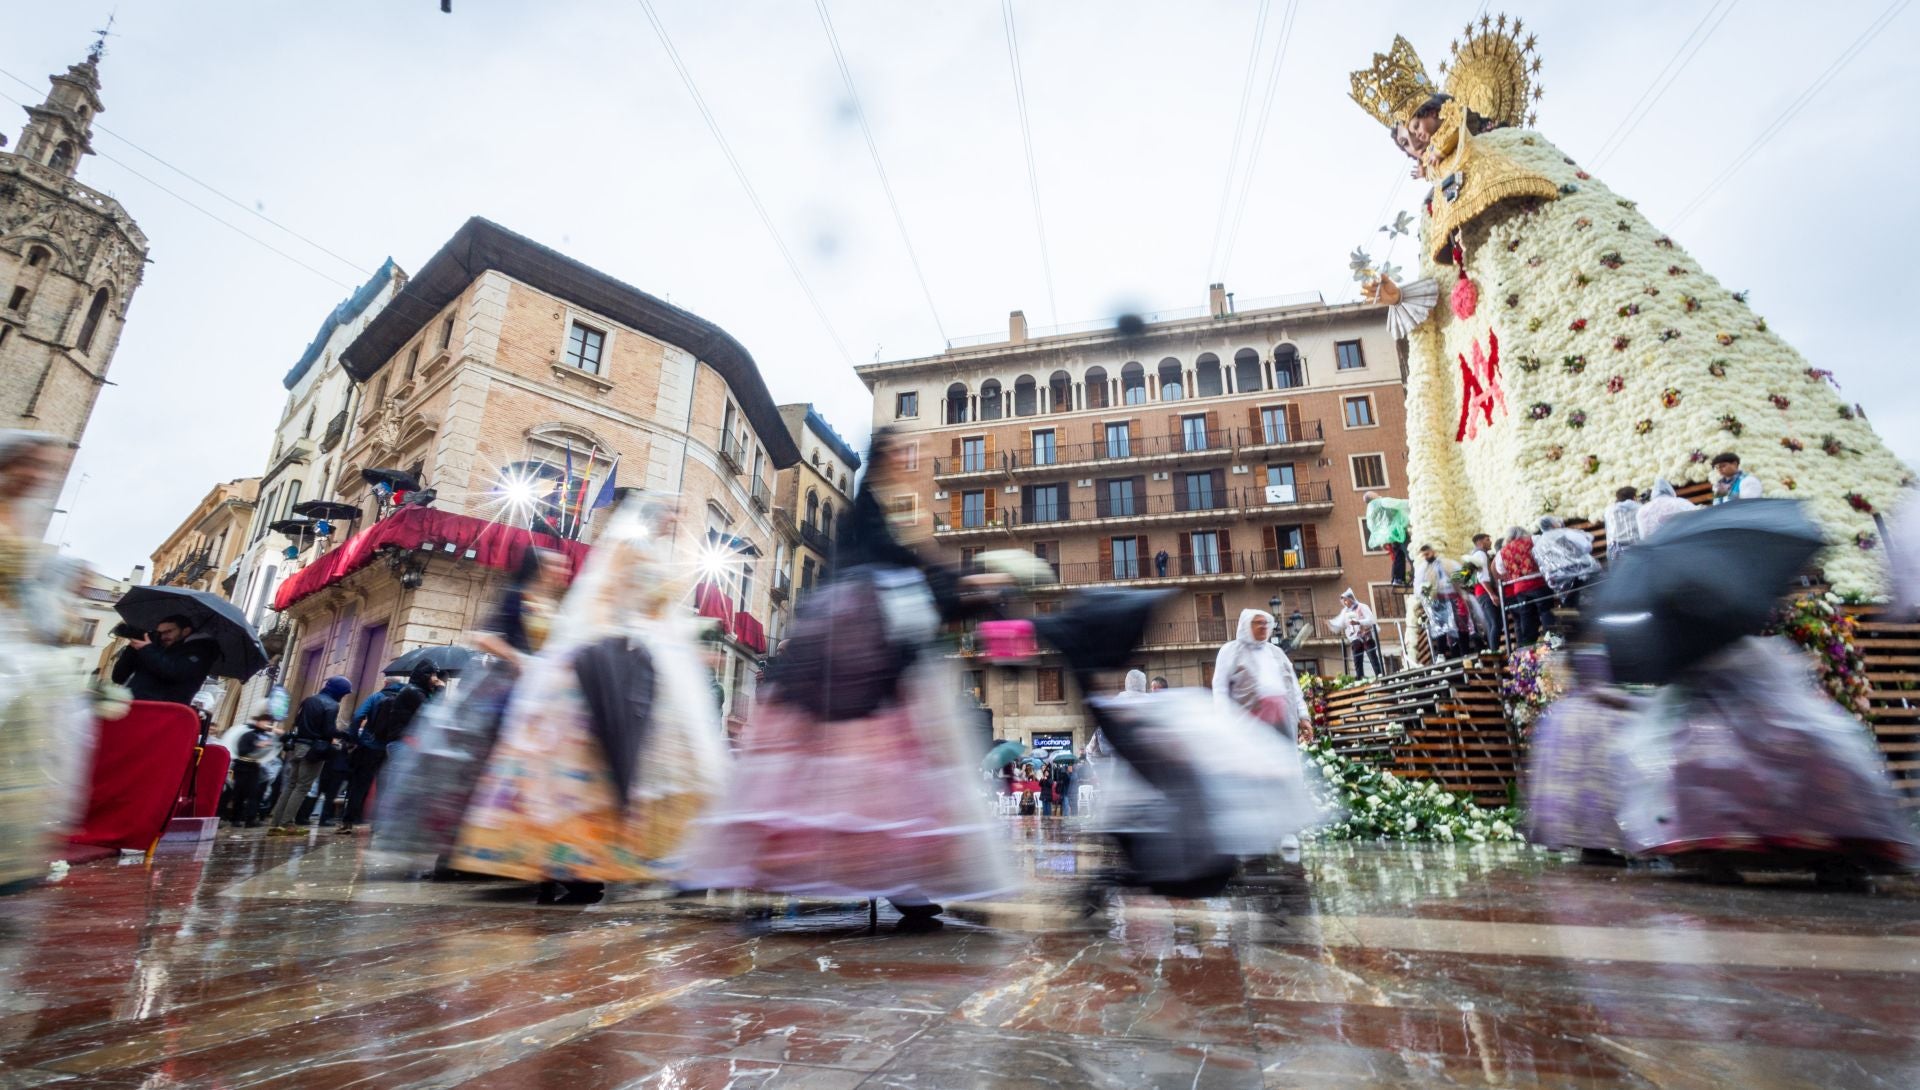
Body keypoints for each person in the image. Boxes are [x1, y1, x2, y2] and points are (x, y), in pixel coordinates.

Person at [685, 429, 1015, 925]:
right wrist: (958, 578)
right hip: (856, 648)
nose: (915, 461)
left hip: (871, 646)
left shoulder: (881, 510)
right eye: (909, 453)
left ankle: (901, 882)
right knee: (860, 766)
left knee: (890, 770)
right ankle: (804, 873)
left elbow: (907, 565)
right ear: (888, 456)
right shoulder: (864, 512)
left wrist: (947, 574)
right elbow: (895, 562)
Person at [453, 499, 731, 905]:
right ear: (654, 514)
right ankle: (580, 856)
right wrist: (613, 648)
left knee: (663, 759)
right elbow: (605, 599)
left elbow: (657, 614)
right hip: (622, 654)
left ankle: (673, 856)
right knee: (602, 759)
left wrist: (688, 650)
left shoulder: (650, 551)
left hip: (650, 656)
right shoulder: (629, 545)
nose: (677, 519)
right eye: (673, 512)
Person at [0, 432, 93, 893]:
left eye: (46, 469)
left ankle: (9, 864)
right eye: (31, 465)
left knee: (23, 757)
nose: (39, 477)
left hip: (14, 647)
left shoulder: (20, 520)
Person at [339, 664, 441, 834]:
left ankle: (348, 821)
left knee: (360, 784)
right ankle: (377, 824)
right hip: (396, 743)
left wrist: (354, 739)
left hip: (371, 745)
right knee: (385, 785)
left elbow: (358, 716)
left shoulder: (376, 697)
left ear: (386, 683)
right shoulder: (413, 694)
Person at [265, 676, 352, 835]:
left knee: (291, 785)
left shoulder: (309, 700)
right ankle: (286, 824)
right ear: (339, 691)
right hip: (313, 750)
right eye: (344, 693)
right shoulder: (332, 705)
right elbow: (328, 731)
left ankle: (275, 823)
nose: (344, 696)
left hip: (298, 745)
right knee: (302, 787)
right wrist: (345, 734)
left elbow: (297, 722)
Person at [1214, 609, 1309, 737]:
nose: (1263, 626)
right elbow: (1221, 688)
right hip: (1249, 724)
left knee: (1283, 755)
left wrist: (1303, 716)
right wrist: (1224, 720)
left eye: (1265, 623)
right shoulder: (1230, 651)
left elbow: (1293, 687)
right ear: (1246, 625)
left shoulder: (1277, 653)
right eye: (1258, 623)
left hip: (1283, 720)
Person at [109, 613, 219, 706]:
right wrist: (132, 649)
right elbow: (119, 677)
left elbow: (174, 671)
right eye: (160, 633)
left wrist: (147, 649)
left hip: (164, 713)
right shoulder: (156, 649)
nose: (163, 637)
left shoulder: (201, 650)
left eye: (169, 631)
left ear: (186, 631)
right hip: (135, 706)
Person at [1497, 527, 1554, 646]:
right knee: (1546, 612)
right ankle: (1553, 641)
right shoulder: (1534, 540)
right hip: (1538, 583)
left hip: (1520, 588)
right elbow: (1545, 554)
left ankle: (1529, 646)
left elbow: (1500, 569)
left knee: (1527, 617)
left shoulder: (1502, 552)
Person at [1532, 517, 1601, 611]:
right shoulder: (1563, 533)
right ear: (1553, 524)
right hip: (1578, 570)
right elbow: (1586, 546)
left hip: (1557, 576)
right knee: (1595, 591)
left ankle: (1575, 620)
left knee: (1570, 600)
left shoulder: (1538, 544)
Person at [227, 709, 280, 828]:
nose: (268, 725)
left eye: (270, 723)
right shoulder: (248, 734)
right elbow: (242, 751)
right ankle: (236, 819)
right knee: (239, 793)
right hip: (242, 766)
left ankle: (250, 819)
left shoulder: (266, 736)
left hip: (255, 766)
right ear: (258, 722)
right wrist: (257, 745)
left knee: (254, 794)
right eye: (266, 722)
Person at [1326, 590, 1386, 678]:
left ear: (1351, 599)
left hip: (1366, 635)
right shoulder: (1345, 612)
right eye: (1343, 601)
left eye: (1346, 600)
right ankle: (1360, 678)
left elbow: (1371, 620)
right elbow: (1340, 624)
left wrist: (1358, 622)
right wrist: (1330, 624)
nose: (1345, 603)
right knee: (1357, 660)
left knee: (1372, 658)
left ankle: (1379, 675)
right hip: (1355, 639)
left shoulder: (1362, 607)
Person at [1363, 491, 1413, 586]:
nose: (1378, 494)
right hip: (1399, 531)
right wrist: (1414, 501)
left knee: (1398, 555)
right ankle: (1416, 575)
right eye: (1375, 494)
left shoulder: (1371, 510)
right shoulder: (1383, 502)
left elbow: (1372, 527)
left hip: (1390, 536)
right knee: (1409, 552)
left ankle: (1397, 579)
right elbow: (1400, 503)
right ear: (1373, 496)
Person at [1604, 486, 1643, 563]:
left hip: (1615, 551)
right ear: (1634, 497)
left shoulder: (1609, 511)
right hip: (1637, 548)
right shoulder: (1639, 508)